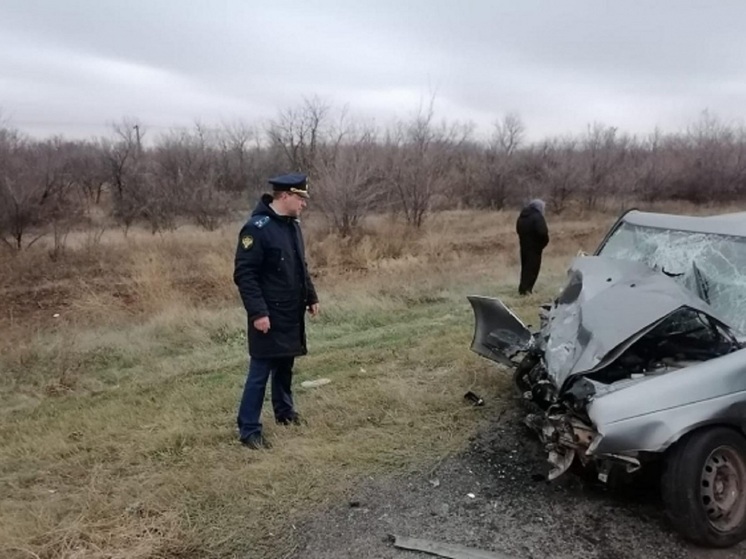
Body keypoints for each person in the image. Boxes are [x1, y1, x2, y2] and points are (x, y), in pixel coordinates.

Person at [233, 172, 320, 449]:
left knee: (285, 365)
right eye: (300, 198)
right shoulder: (256, 229)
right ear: (285, 196)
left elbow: (300, 265)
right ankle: (249, 430)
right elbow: (245, 275)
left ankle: (285, 412)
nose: (304, 203)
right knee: (260, 371)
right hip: (268, 315)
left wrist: (311, 296)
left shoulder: (291, 225)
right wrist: (258, 313)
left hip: (290, 312)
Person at [516, 199, 549, 295]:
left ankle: (523, 289)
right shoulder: (537, 217)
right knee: (533, 269)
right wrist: (542, 244)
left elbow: (518, 230)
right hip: (535, 247)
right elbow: (543, 232)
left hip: (524, 246)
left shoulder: (522, 216)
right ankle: (527, 290)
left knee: (525, 268)